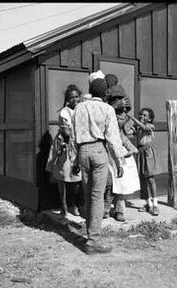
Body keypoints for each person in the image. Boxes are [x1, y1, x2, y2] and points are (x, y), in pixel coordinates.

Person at [69, 78, 124, 255]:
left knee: (87, 195)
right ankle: (92, 242)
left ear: (90, 92)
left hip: (83, 150)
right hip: (99, 150)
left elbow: (72, 136)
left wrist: (74, 160)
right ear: (105, 93)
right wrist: (119, 161)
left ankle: (89, 235)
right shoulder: (108, 109)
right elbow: (114, 138)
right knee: (97, 197)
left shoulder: (79, 108)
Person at [103, 83, 139, 222]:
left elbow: (121, 133)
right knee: (109, 184)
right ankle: (106, 208)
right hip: (107, 150)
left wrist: (129, 147)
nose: (120, 118)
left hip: (119, 151)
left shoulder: (121, 114)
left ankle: (119, 210)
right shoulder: (107, 111)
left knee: (121, 183)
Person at [46, 84, 84, 217]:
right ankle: (63, 206)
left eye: (77, 97)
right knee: (63, 176)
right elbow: (67, 132)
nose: (75, 99)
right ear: (68, 99)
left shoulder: (82, 109)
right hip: (66, 145)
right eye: (72, 97)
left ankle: (74, 205)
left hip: (78, 145)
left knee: (77, 178)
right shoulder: (65, 112)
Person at [127, 108, 162, 216]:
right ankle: (148, 204)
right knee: (143, 179)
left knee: (150, 178)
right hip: (140, 152)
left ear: (150, 119)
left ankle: (155, 205)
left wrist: (132, 118)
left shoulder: (150, 127)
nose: (142, 116)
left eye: (145, 115)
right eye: (140, 114)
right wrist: (123, 121)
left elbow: (144, 127)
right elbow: (127, 133)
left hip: (148, 152)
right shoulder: (137, 127)